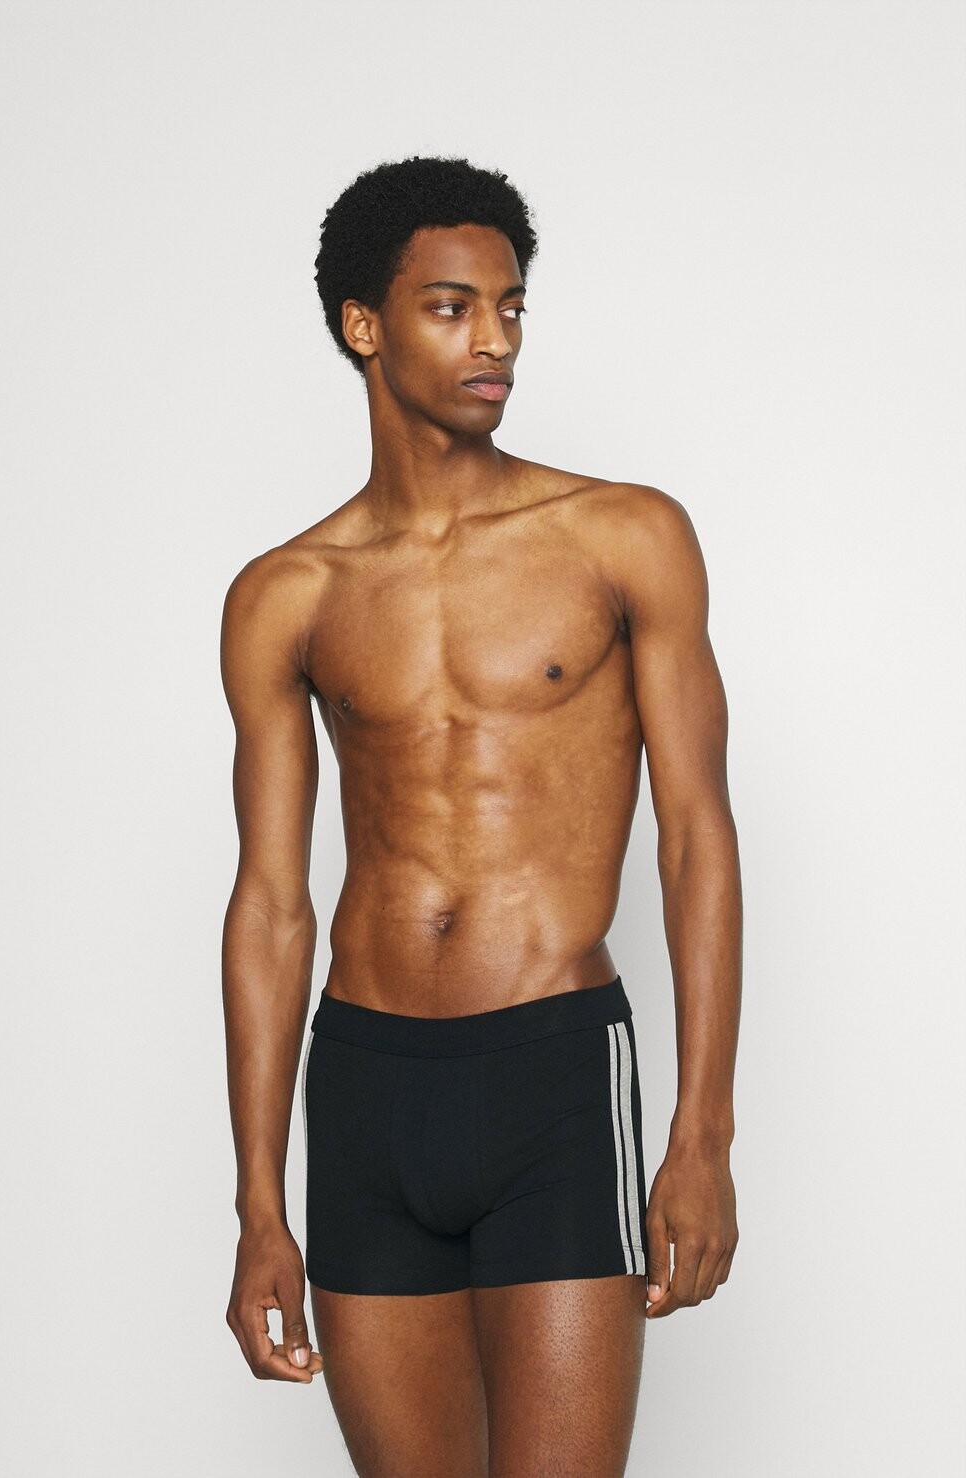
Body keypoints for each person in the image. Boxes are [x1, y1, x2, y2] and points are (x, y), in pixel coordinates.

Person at [221, 155, 741, 1477]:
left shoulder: (622, 537)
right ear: (364, 325)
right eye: (453, 308)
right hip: (366, 1083)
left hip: (551, 1071)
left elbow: (697, 836)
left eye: (510, 308)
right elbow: (271, 904)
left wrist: (702, 1131)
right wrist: (259, 1201)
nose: (495, 339)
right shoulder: (288, 592)